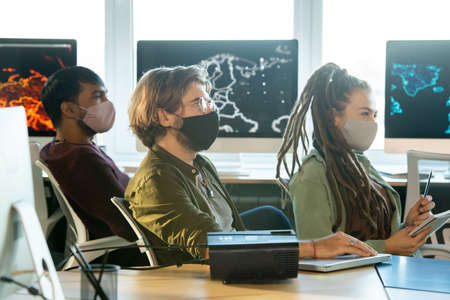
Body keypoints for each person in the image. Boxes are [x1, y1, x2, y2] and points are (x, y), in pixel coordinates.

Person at [126, 65, 377, 265]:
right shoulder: (155, 181)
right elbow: (213, 245)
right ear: (164, 116)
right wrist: (312, 248)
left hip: (234, 272)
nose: (210, 110)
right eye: (198, 103)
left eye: (209, 102)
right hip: (203, 286)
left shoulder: (201, 165)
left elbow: (236, 233)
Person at [276, 63, 435, 256]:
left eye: (374, 115)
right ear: (335, 117)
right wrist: (389, 246)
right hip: (356, 283)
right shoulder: (311, 176)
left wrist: (407, 227)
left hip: (390, 274)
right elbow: (317, 254)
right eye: (365, 114)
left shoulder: (361, 163)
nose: (373, 123)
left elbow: (376, 234)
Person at [40, 66, 144, 265]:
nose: (107, 104)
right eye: (98, 96)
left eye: (106, 96)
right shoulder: (82, 160)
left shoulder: (64, 149)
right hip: (130, 255)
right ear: (69, 109)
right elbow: (129, 227)